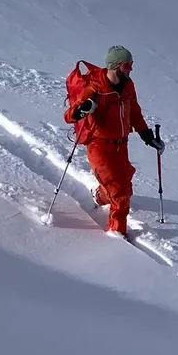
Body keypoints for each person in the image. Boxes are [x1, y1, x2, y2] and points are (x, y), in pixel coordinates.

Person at [65, 45, 162, 235]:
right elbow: (69, 116)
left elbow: (134, 112)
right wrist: (82, 109)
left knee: (125, 185)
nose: (131, 69)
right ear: (116, 66)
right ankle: (117, 235)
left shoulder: (128, 86)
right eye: (128, 65)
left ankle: (100, 196)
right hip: (99, 147)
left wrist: (147, 137)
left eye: (131, 64)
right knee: (120, 195)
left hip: (121, 146)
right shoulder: (94, 88)